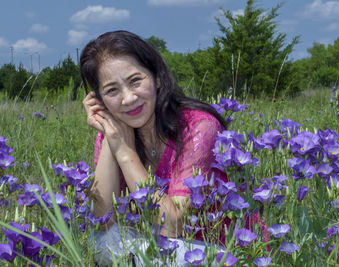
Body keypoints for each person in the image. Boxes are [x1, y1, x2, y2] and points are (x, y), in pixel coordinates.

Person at [80, 30, 229, 265]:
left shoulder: (198, 126)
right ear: (99, 100)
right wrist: (112, 139)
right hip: (158, 247)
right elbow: (102, 222)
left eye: (135, 81)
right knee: (99, 243)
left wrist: (125, 152)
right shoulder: (112, 132)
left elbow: (173, 225)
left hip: (213, 250)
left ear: (157, 77)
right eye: (112, 91)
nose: (128, 99)